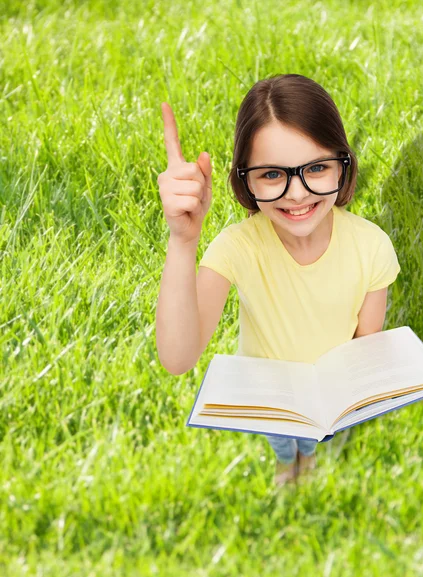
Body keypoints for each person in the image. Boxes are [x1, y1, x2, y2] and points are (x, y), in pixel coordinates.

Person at [155, 73, 400, 487]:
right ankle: (288, 465)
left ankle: (309, 460)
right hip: (268, 399)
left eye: (317, 168)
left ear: (343, 165)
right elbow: (178, 358)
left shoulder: (372, 245)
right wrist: (183, 240)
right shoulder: (237, 247)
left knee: (314, 442)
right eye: (272, 175)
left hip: (329, 398)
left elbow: (365, 347)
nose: (297, 194)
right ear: (244, 180)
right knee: (285, 443)